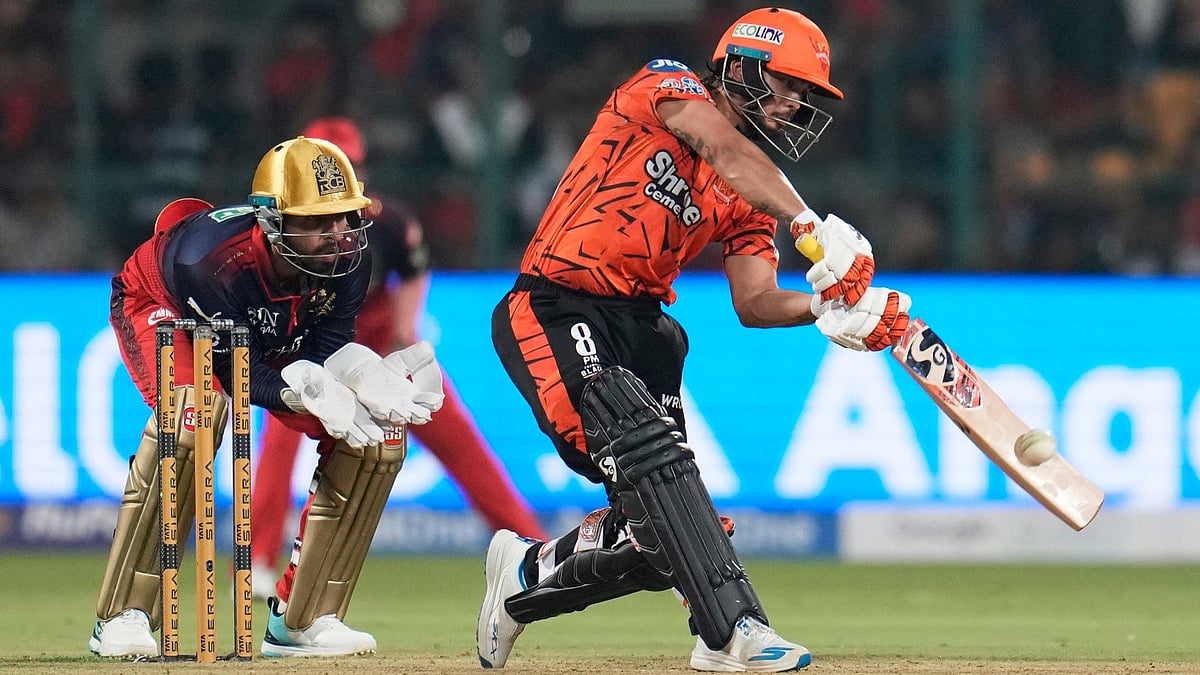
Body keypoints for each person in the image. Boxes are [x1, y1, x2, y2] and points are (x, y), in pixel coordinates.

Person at [479, 7, 911, 672]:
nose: (796, 104)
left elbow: (757, 300)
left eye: (805, 95)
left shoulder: (746, 193)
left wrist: (828, 308)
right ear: (740, 65)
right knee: (656, 467)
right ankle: (733, 630)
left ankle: (525, 576)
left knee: (660, 535)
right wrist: (809, 224)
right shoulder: (665, 87)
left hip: (642, 332)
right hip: (557, 308)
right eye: (787, 84)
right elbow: (722, 149)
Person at [89, 136, 443, 658]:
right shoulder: (207, 261)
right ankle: (123, 614)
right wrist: (296, 393)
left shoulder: (350, 257)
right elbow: (236, 374)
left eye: (345, 216)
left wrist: (355, 375)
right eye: (319, 221)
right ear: (274, 222)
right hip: (162, 306)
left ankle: (300, 620)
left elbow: (326, 348)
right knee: (194, 417)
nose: (339, 234)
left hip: (264, 335)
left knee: (377, 433)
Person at [249, 117, 548, 596]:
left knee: (461, 443)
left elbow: (412, 274)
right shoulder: (281, 235)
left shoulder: (385, 223)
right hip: (313, 356)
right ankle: (258, 566)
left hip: (378, 349)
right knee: (277, 447)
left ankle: (534, 550)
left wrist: (401, 340)